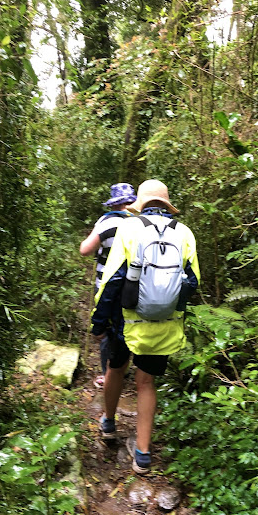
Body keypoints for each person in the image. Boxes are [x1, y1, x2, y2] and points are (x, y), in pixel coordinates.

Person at [91, 179, 200, 474]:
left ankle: (109, 423)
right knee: (146, 383)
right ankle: (142, 455)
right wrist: (165, 304)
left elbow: (113, 279)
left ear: (141, 203)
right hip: (164, 324)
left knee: (115, 368)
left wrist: (99, 322)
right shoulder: (184, 233)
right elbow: (192, 282)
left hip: (125, 321)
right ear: (166, 204)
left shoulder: (129, 228)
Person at [80, 183, 137, 387]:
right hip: (135, 285)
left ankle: (109, 374)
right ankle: (123, 368)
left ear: (114, 204)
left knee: (106, 328)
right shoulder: (141, 222)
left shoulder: (107, 221)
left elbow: (85, 250)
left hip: (107, 283)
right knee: (128, 325)